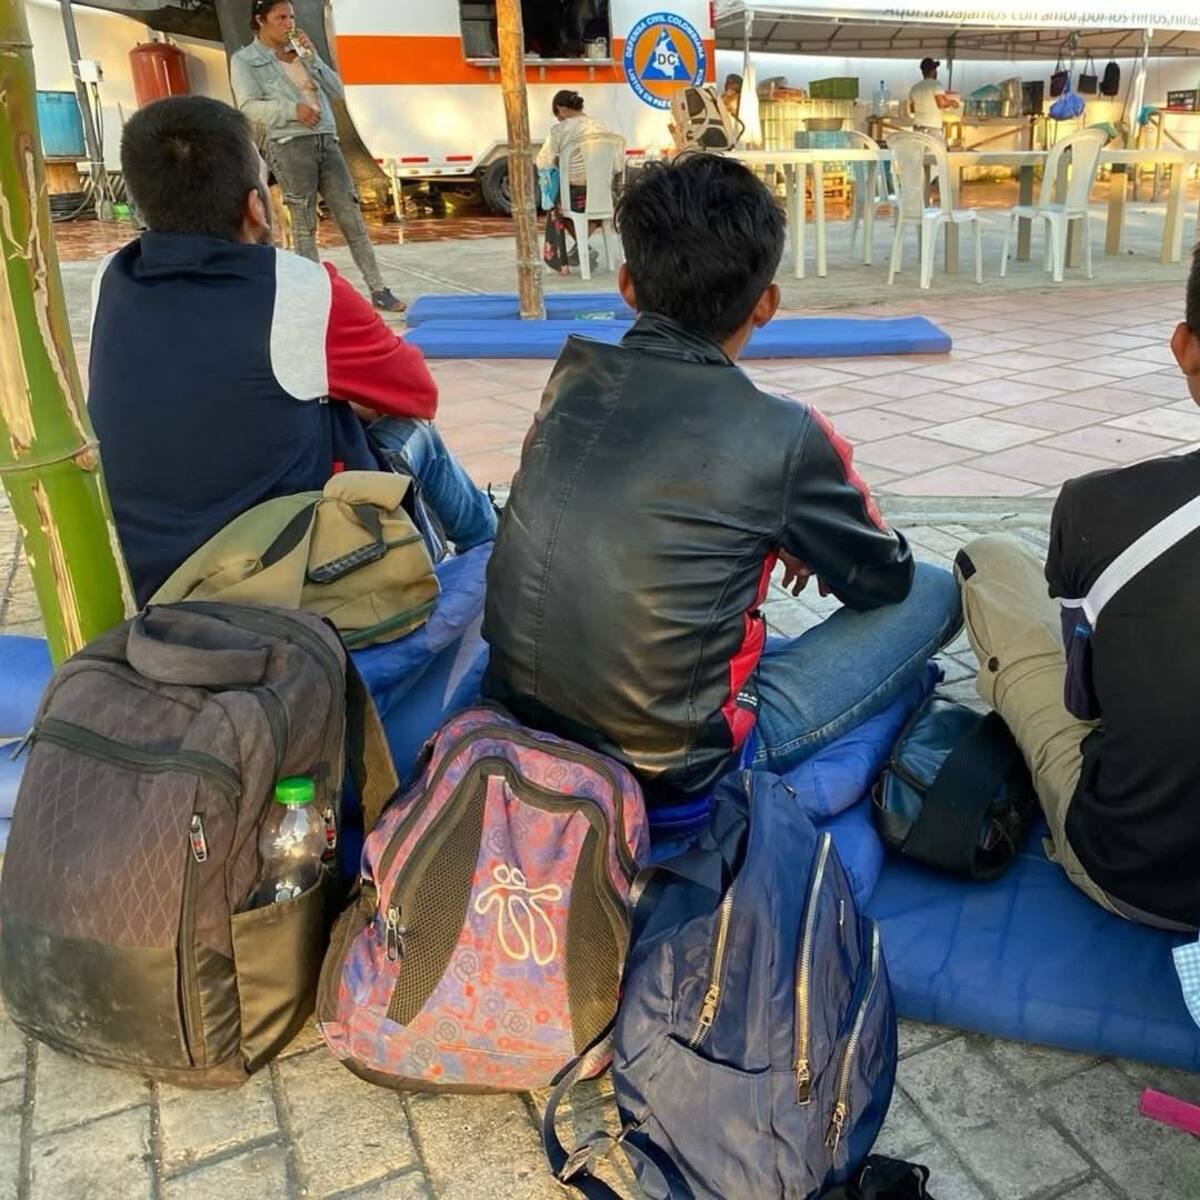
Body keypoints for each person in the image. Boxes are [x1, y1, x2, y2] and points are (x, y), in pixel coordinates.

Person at [482, 153, 961, 808]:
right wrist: (798, 537)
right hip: (673, 771)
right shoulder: (786, 432)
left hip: (516, 715)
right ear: (766, 304)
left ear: (627, 285)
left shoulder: (569, 383)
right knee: (936, 589)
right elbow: (886, 580)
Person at [89, 96, 496, 607]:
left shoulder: (110, 279)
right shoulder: (298, 288)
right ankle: (496, 555)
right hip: (288, 586)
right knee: (412, 433)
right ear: (256, 207)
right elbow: (418, 393)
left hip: (155, 587)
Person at [953, 246, 1200, 933]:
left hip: (1138, 878)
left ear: (1185, 348)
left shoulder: (1099, 507)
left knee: (990, 561)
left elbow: (1083, 700)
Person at [230, 0, 404, 312]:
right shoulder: (245, 60)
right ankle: (311, 296)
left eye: (291, 17)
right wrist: (292, 110)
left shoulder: (301, 52)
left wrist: (313, 59)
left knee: (351, 216)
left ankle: (379, 289)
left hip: (326, 138)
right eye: (281, 17)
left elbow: (337, 91)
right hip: (290, 144)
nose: (289, 23)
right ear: (261, 20)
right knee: (304, 222)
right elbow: (248, 106)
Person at [536, 89, 621, 274]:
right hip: (604, 194)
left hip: (575, 195)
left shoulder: (560, 130)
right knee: (589, 212)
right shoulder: (604, 126)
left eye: (557, 115)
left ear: (561, 109)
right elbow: (616, 166)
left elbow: (543, 161)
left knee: (556, 207)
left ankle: (571, 257)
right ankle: (582, 248)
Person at [909, 57, 958, 137]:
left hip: (918, 127)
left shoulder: (914, 88)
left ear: (922, 72)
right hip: (932, 128)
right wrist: (953, 102)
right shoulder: (936, 85)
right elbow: (941, 103)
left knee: (920, 145)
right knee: (936, 145)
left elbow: (912, 109)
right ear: (933, 71)